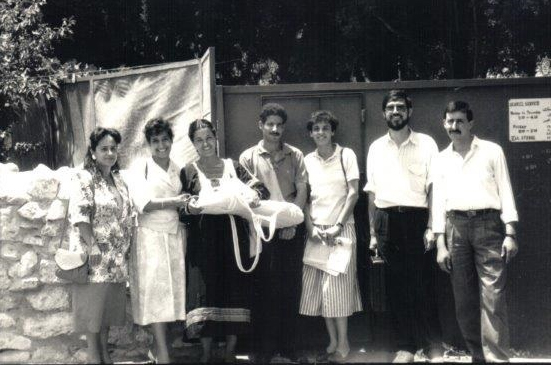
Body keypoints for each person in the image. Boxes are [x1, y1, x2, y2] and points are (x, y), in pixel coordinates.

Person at [432, 101, 519, 362]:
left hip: (489, 226)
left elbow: (505, 190)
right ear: (444, 124)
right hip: (454, 229)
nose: (454, 126)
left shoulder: (492, 152)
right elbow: (438, 201)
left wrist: (510, 232)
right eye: (450, 121)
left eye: (459, 121)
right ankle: (478, 356)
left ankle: (497, 358)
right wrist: (440, 243)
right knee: (464, 300)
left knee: (492, 297)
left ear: (471, 123)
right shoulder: (440, 159)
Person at [180, 119, 270, 363]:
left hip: (233, 239)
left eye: (209, 137)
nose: (205, 143)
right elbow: (182, 207)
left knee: (234, 289)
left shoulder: (233, 166)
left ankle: (230, 350)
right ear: (193, 144)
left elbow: (260, 189)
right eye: (199, 140)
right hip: (203, 240)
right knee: (205, 292)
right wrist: (191, 208)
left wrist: (253, 198)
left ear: (216, 138)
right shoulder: (189, 171)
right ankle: (207, 352)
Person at [364, 90, 443, 362]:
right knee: (396, 288)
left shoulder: (427, 144)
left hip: (417, 220)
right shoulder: (375, 147)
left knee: (424, 284)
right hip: (386, 221)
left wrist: (432, 225)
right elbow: (371, 194)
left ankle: (433, 346)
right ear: (384, 113)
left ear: (409, 111)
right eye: (390, 107)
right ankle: (406, 347)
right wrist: (374, 232)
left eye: (400, 107)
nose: (395, 111)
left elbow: (434, 188)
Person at [239, 103, 308, 363]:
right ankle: (263, 350)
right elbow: (246, 196)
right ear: (261, 125)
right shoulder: (248, 157)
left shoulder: (296, 155)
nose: (275, 129)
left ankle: (288, 347)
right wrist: (260, 227)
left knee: (289, 289)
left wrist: (293, 222)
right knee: (262, 289)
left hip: (291, 230)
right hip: (261, 231)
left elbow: (302, 190)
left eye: (279, 124)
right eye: (270, 124)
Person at [299, 110, 363, 363]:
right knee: (321, 292)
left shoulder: (346, 155)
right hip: (316, 232)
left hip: (341, 231)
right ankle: (332, 341)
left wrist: (338, 224)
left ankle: (344, 343)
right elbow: (304, 198)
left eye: (325, 128)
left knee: (338, 290)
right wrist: (310, 227)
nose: (321, 133)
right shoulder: (306, 160)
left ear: (333, 131)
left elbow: (354, 193)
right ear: (311, 133)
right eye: (316, 129)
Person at [69, 127, 134, 364]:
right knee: (92, 313)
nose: (109, 153)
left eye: (113, 148)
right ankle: (95, 357)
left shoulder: (118, 180)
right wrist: (93, 246)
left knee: (107, 312)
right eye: (103, 148)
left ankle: (105, 353)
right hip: (94, 258)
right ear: (93, 152)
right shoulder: (84, 178)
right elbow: (80, 215)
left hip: (115, 260)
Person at [127, 118, 189, 364]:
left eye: (165, 140)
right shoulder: (140, 167)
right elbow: (143, 204)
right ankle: (163, 353)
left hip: (175, 236)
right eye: (155, 141)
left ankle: (157, 347)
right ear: (148, 144)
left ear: (171, 141)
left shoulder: (178, 167)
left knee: (174, 295)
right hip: (149, 238)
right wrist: (175, 202)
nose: (161, 145)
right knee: (155, 295)